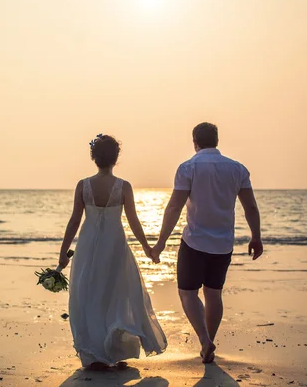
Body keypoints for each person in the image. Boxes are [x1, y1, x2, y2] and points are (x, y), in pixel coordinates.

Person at [151, 122, 263, 363]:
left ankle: (204, 339)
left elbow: (174, 207)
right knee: (214, 294)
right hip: (223, 244)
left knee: (187, 294)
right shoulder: (237, 169)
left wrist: (161, 242)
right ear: (217, 141)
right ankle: (208, 342)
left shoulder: (188, 167)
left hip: (194, 242)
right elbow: (250, 206)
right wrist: (256, 236)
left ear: (195, 142)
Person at [58, 134, 167, 371]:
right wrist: (147, 247)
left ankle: (93, 352)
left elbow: (74, 221)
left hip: (88, 245)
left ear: (94, 157)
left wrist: (63, 252)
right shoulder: (123, 186)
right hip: (115, 245)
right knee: (115, 294)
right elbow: (134, 221)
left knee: (88, 294)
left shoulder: (83, 185)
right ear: (115, 158)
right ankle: (115, 350)